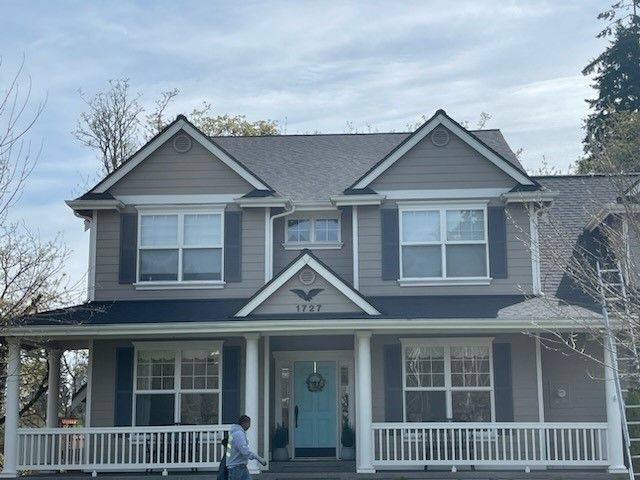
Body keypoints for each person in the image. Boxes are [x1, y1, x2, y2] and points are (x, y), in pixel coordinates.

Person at [226, 415, 267, 480]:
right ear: (244, 423)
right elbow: (244, 450)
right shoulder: (239, 434)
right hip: (236, 468)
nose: (249, 426)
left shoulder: (234, 433)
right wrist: (258, 458)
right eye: (249, 423)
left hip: (240, 466)